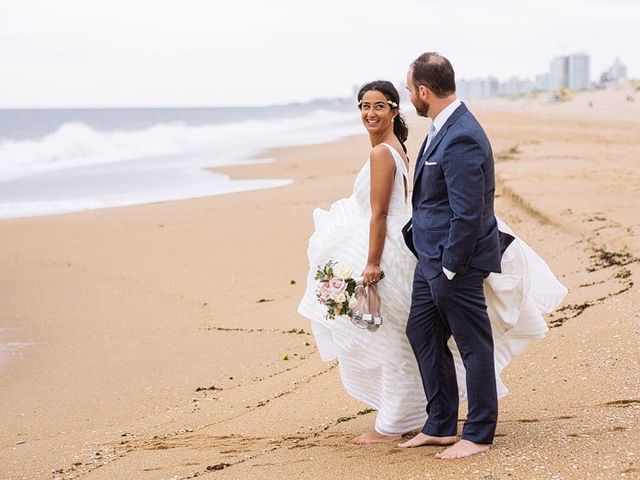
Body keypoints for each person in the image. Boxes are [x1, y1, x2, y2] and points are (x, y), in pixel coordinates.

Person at [297, 77, 566, 448]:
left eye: (379, 105)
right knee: (414, 336)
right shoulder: (401, 146)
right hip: (414, 248)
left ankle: (411, 422)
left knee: (395, 341)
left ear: (397, 108)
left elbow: (379, 215)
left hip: (403, 252)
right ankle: (431, 420)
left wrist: (372, 264)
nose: (369, 113)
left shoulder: (388, 152)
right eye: (364, 106)